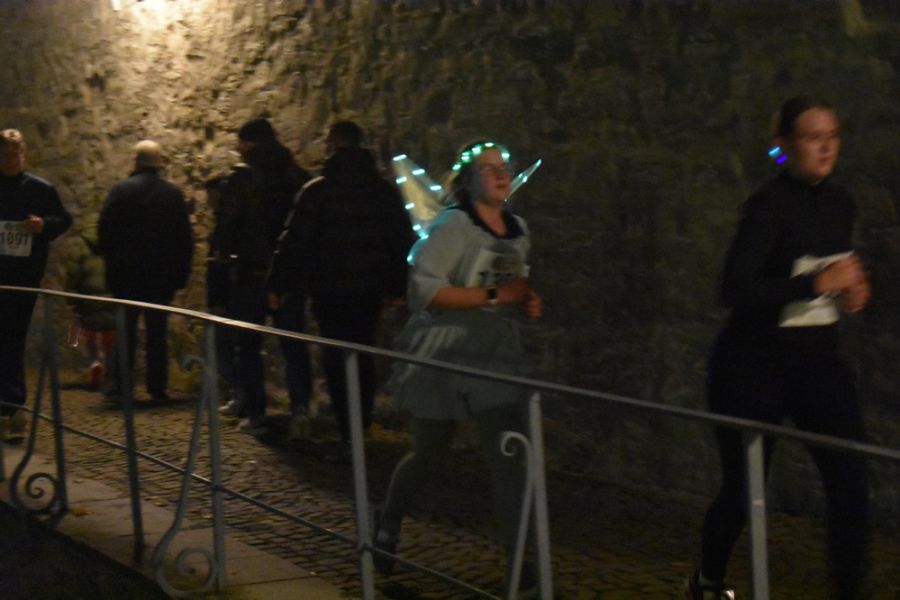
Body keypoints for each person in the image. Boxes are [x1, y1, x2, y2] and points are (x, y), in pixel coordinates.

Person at [685, 96, 871, 600]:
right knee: (743, 487)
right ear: (785, 145)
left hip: (817, 361)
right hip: (754, 364)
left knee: (851, 477)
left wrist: (852, 291)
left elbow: (836, 272)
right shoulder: (768, 206)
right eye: (812, 137)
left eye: (832, 135)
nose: (826, 147)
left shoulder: (841, 203)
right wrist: (814, 284)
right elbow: (735, 289)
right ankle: (708, 580)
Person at [371, 140, 542, 593]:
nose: (500, 174)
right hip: (445, 350)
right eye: (488, 168)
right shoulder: (452, 225)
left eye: (504, 167)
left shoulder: (518, 228)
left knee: (508, 456)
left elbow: (508, 287)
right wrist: (495, 296)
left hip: (493, 353)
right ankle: (388, 520)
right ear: (468, 180)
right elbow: (425, 292)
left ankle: (519, 563)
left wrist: (524, 302)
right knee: (429, 453)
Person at [267, 121, 415, 443]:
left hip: (329, 289)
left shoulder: (317, 191)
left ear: (332, 145)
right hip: (369, 289)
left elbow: (294, 242)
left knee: (335, 353)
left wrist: (278, 285)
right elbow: (401, 240)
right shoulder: (383, 192)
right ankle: (361, 422)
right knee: (362, 350)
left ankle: (347, 426)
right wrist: (396, 286)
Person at [215, 118, 310, 433]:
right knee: (293, 344)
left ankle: (256, 412)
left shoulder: (241, 178)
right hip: (289, 274)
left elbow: (228, 222)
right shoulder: (298, 176)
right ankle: (300, 409)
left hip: (251, 272)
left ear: (249, 143)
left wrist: (223, 253)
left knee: (247, 344)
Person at [98, 140, 194, 402]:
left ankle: (120, 385)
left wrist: (112, 263)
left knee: (125, 331)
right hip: (160, 277)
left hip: (126, 276)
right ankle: (157, 387)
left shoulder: (120, 191)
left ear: (136, 161)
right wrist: (180, 275)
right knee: (157, 333)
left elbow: (104, 231)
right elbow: (184, 239)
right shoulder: (172, 194)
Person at [0, 128, 72, 442]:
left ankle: (12, 408)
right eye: (4, 154)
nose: (10, 160)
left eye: (14, 154)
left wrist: (43, 225)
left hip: (23, 279)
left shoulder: (40, 190)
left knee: (12, 340)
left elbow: (63, 220)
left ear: (23, 154)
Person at [64, 215, 116, 389]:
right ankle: (109, 372)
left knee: (89, 332)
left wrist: (70, 294)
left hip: (87, 297)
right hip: (110, 296)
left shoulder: (80, 243)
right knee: (109, 334)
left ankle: (94, 362)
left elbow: (72, 272)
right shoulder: (112, 242)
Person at [203, 174, 241, 407]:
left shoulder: (228, 223)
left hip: (226, 293)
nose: (208, 200)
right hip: (225, 292)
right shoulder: (225, 220)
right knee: (225, 344)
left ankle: (238, 392)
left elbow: (221, 265)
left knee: (226, 344)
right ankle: (236, 392)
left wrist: (218, 299)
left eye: (210, 194)